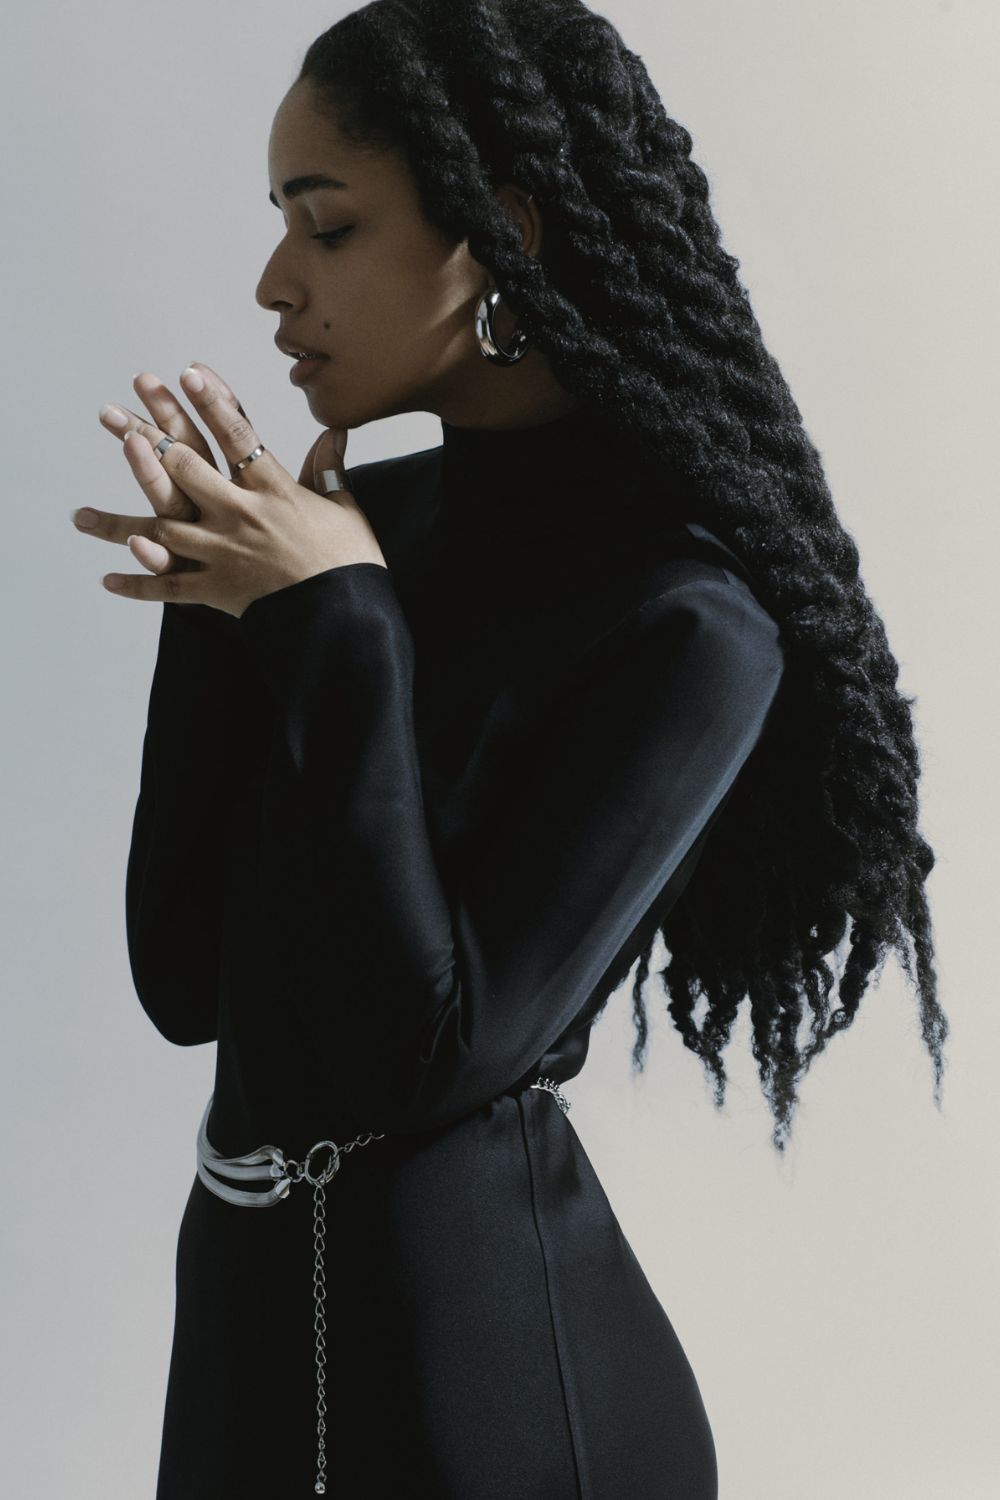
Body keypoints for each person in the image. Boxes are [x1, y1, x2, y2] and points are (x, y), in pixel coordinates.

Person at [75, 1, 949, 1495]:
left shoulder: (687, 620)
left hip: (500, 1403)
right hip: (239, 1333)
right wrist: (230, 615)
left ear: (503, 236)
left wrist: (340, 627)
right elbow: (179, 982)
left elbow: (422, 1055)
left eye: (327, 226)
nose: (275, 282)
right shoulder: (352, 543)